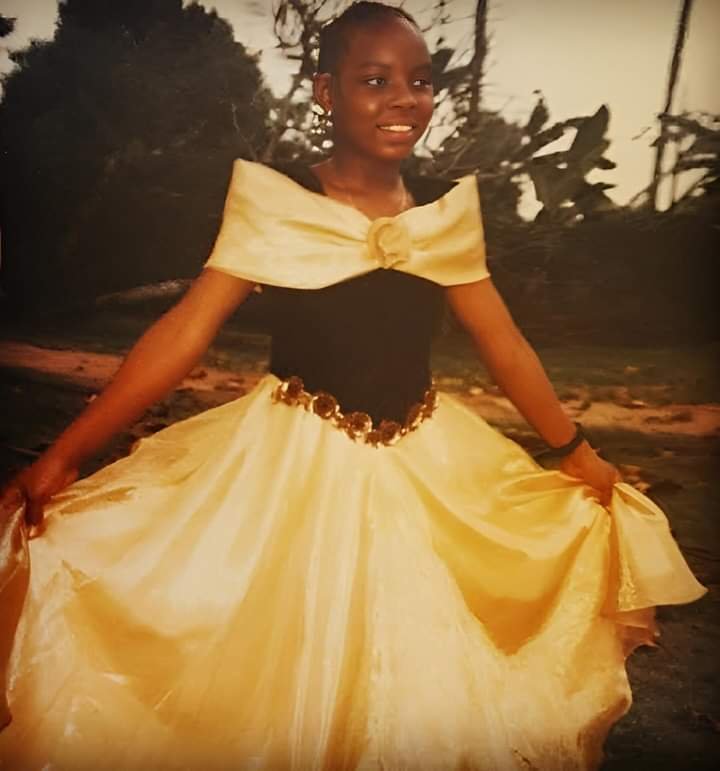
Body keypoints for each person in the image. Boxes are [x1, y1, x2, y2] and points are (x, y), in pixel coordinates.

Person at [0, 2, 705, 769]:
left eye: (420, 81)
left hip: (427, 470)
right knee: (281, 674)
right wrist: (66, 452)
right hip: (290, 471)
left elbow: (504, 343)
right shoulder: (276, 196)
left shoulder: (444, 209)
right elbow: (186, 329)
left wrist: (575, 451)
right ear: (325, 92)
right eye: (376, 80)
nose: (405, 98)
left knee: (414, 680)